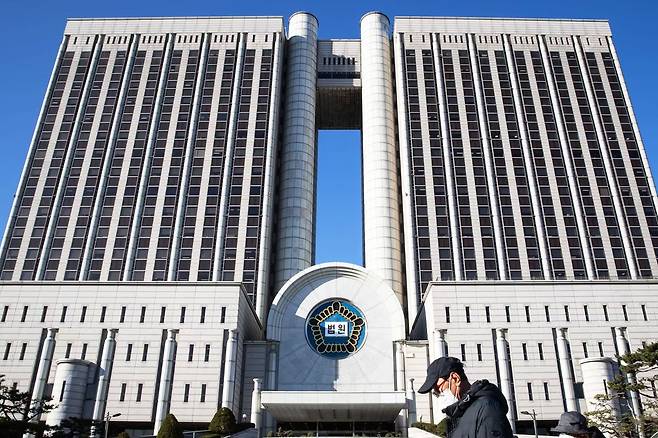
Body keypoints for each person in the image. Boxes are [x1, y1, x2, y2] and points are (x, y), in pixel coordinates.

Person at [418, 356, 514, 438]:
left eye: (439, 389)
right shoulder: (461, 412)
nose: (439, 394)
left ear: (455, 379)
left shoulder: (487, 408)